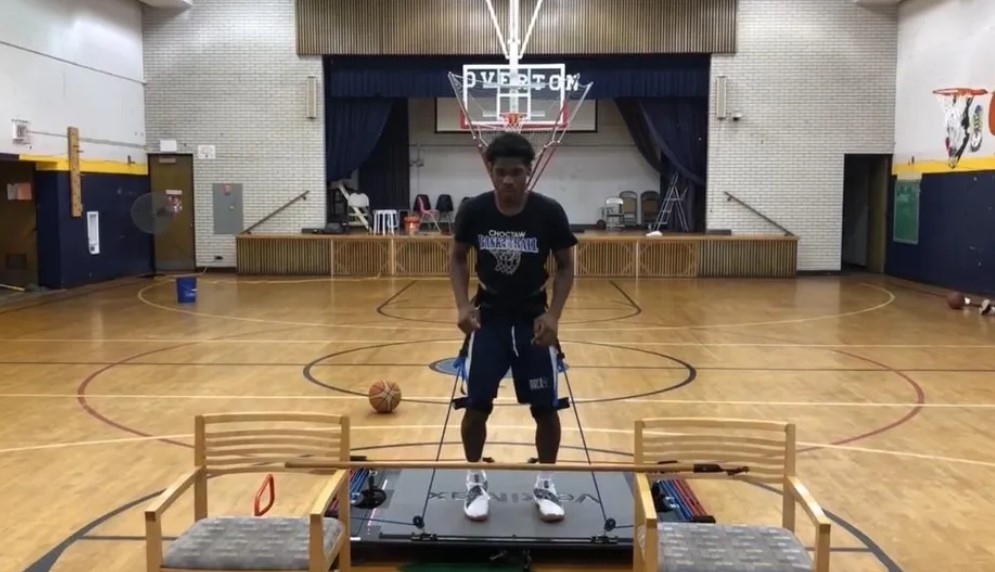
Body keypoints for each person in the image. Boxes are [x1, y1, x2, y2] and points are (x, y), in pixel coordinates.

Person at [448, 132, 578, 523]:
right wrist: (462, 304)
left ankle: (546, 483)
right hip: (488, 318)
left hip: (533, 319)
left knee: (546, 409)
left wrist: (554, 315)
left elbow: (566, 266)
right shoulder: (474, 210)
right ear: (490, 171)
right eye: (500, 172)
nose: (508, 180)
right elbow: (457, 257)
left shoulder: (548, 212)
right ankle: (475, 478)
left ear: (528, 172)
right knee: (476, 406)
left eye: (516, 173)